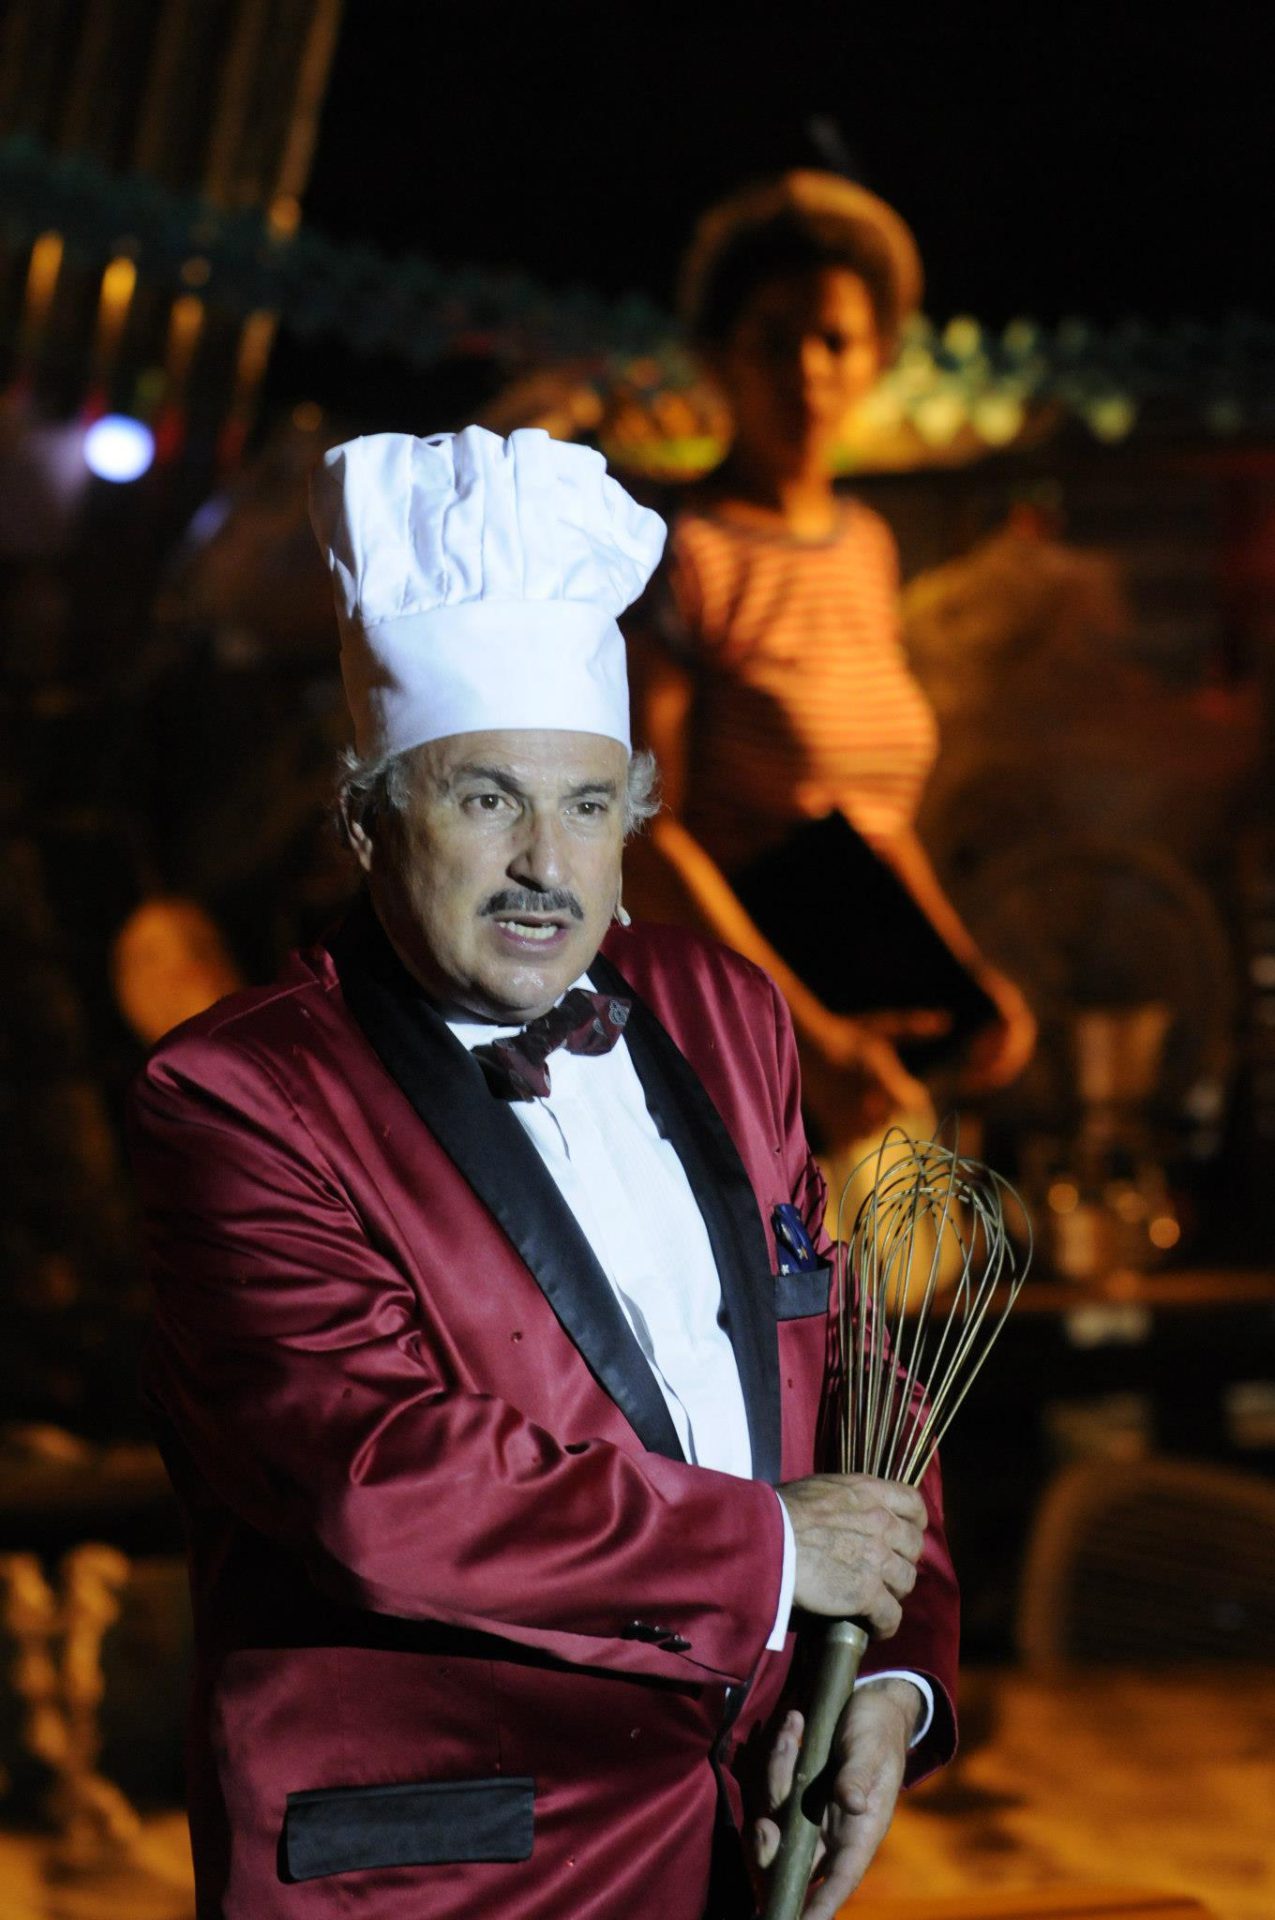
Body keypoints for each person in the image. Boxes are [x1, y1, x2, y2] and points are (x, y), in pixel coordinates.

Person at [128, 426, 958, 1920]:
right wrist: (770, 1553)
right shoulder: (238, 1099)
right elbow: (383, 1483)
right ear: (364, 816)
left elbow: (843, 1363)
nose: (545, 867)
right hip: (443, 1873)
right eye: (485, 799)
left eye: (587, 805)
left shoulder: (721, 1009)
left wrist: (886, 1677)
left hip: (739, 1829)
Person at [626, 171, 1036, 1144]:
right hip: (734, 1058)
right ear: (719, 358)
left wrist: (969, 977)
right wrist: (798, 1041)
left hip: (860, 1050)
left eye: (834, 341)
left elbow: (877, 824)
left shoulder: (867, 549)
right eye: (773, 341)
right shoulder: (681, 555)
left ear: (875, 361)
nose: (807, 369)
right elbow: (643, 835)